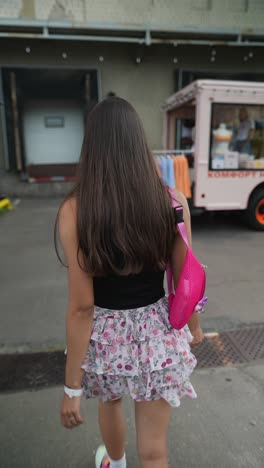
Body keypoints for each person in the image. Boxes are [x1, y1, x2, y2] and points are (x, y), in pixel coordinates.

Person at [55, 97, 204, 468]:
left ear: (92, 148)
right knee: (154, 453)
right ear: (139, 143)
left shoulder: (75, 210)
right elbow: (185, 281)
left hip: (106, 337)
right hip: (157, 332)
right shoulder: (170, 201)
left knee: (110, 401)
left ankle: (115, 463)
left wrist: (72, 387)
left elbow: (81, 306)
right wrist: (194, 327)